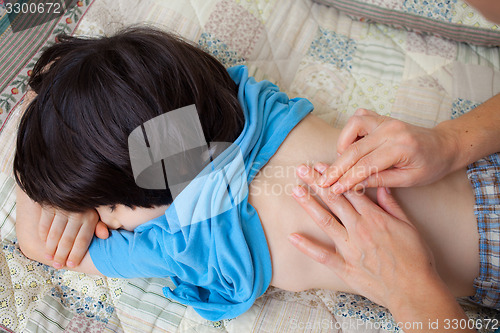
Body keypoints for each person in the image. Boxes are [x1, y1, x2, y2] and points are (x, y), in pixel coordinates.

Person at [14, 27, 489, 323]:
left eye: (110, 206)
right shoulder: (245, 103)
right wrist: (75, 153)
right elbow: (162, 114)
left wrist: (52, 192)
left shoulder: (192, 239)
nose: (107, 221)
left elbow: (41, 247)